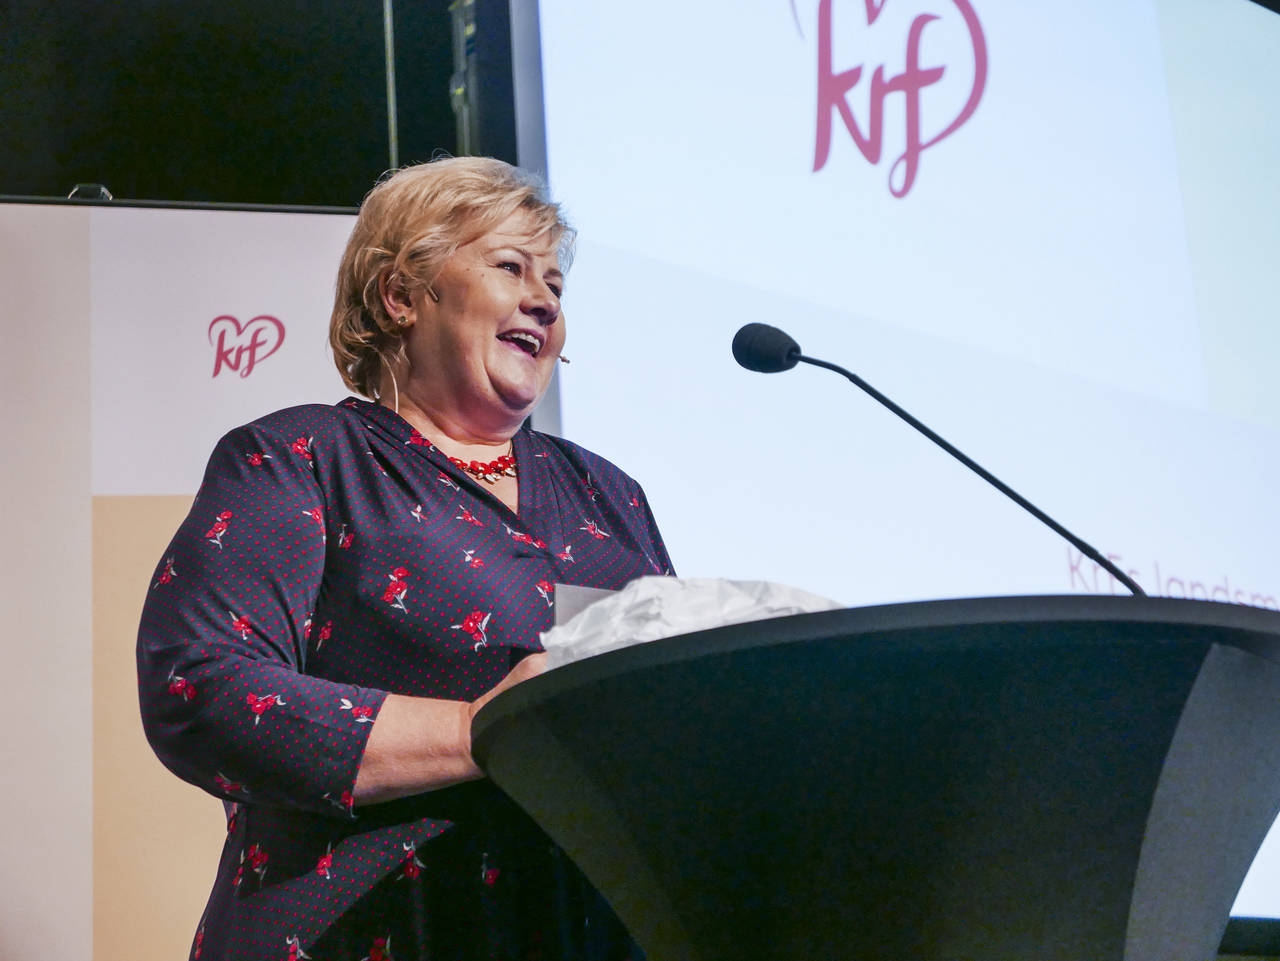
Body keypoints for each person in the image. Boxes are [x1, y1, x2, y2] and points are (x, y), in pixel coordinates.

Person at [137, 156, 673, 961]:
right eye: (509, 266)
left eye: (556, 286)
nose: (543, 300)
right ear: (401, 295)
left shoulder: (609, 495)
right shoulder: (301, 459)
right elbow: (198, 686)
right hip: (355, 931)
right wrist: (483, 729)